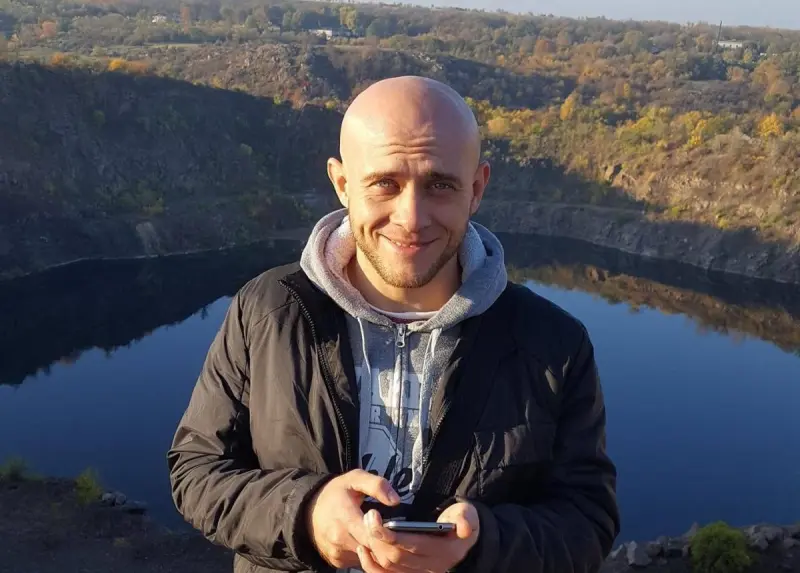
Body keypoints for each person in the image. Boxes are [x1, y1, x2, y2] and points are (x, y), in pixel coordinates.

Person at [167, 75, 620, 573]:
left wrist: (483, 543)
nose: (412, 217)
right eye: (385, 183)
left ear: (476, 188)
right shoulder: (268, 312)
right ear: (342, 184)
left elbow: (587, 520)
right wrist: (307, 515)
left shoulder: (553, 344)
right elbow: (197, 471)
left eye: (440, 185)